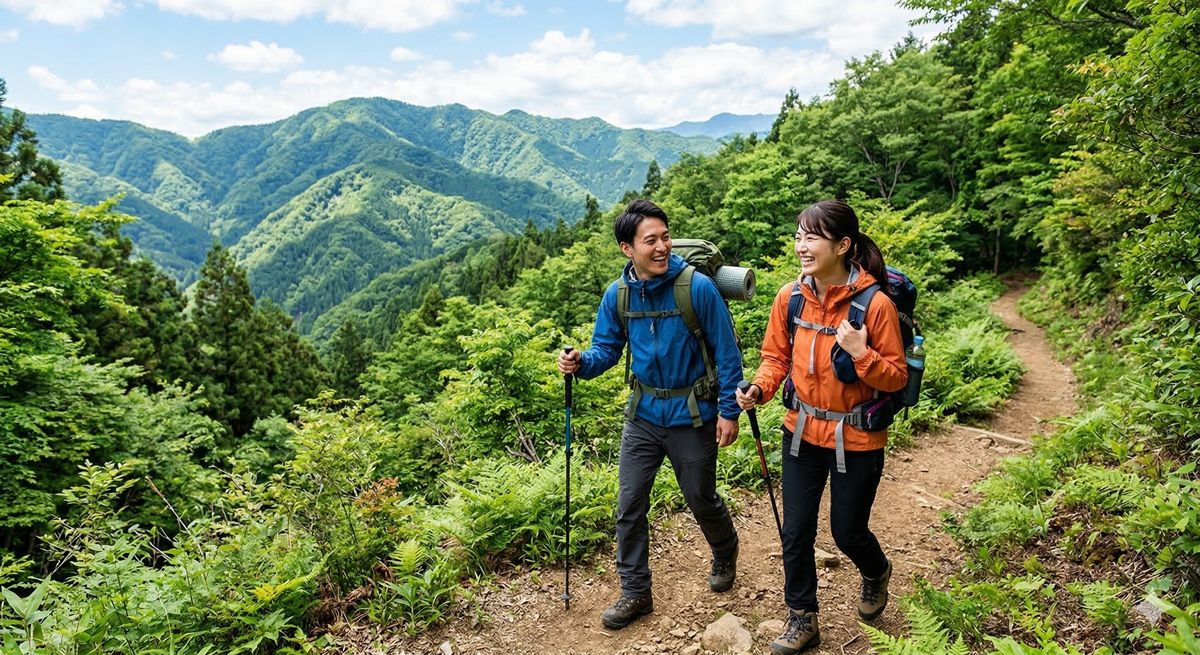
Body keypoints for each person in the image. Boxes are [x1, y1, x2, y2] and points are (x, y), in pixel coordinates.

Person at [558, 199, 743, 630]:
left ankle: (724, 548)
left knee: (700, 496)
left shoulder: (696, 288)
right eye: (650, 241)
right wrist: (580, 362)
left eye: (665, 237)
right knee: (629, 504)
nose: (661, 247)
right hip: (642, 416)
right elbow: (606, 350)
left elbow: (727, 353)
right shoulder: (617, 295)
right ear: (628, 249)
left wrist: (729, 411)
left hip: (693, 414)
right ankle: (635, 591)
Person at [735, 199, 907, 654]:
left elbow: (896, 376)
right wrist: (759, 388)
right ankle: (802, 618)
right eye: (798, 236)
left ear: (843, 245)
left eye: (812, 237)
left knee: (848, 531)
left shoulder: (876, 305)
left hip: (858, 436)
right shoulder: (790, 297)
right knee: (796, 530)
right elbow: (775, 358)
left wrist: (860, 353)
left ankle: (875, 572)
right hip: (801, 431)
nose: (801, 246)